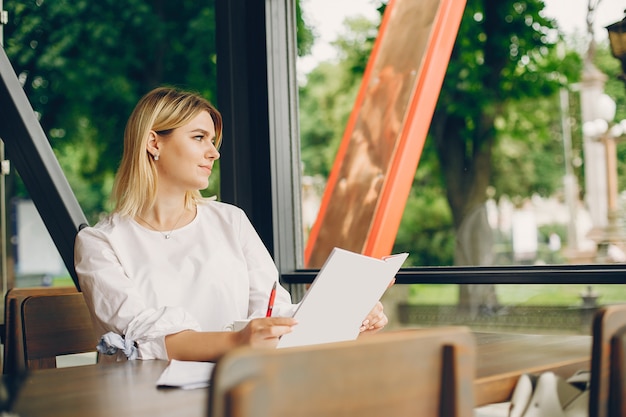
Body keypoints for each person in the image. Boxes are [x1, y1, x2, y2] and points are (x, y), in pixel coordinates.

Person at [74, 86, 389, 362]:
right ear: (154, 143)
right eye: (199, 138)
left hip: (235, 387)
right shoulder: (100, 243)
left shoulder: (231, 221)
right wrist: (239, 340)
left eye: (213, 140)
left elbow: (270, 312)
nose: (214, 152)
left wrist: (344, 312)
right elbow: (142, 337)